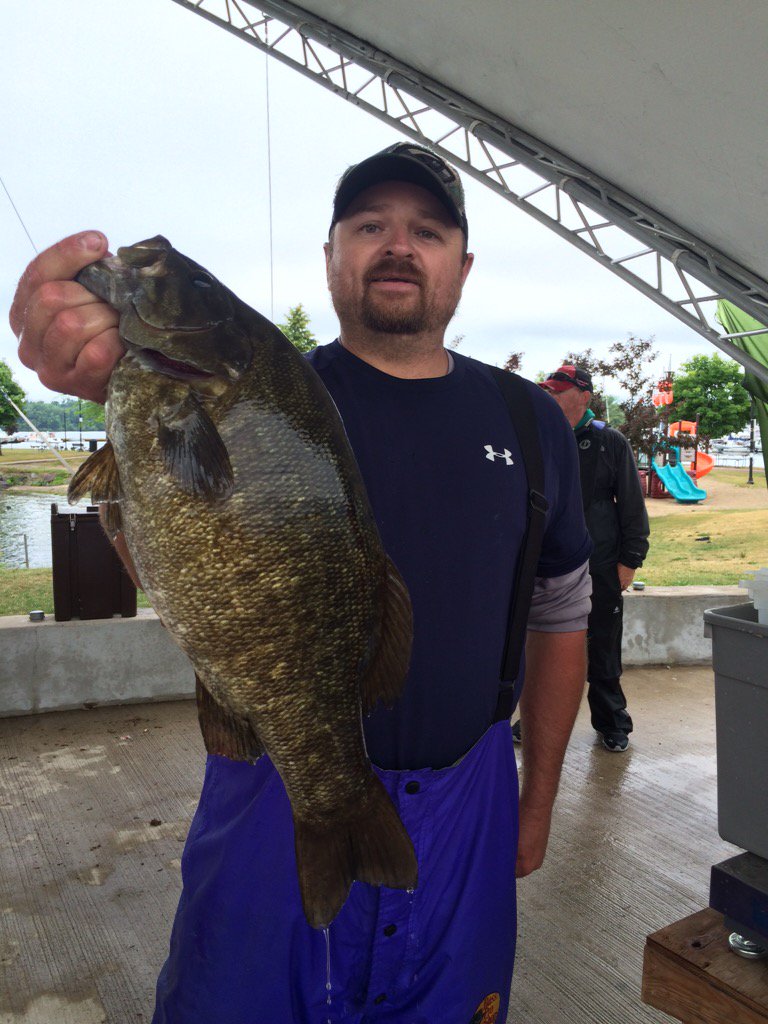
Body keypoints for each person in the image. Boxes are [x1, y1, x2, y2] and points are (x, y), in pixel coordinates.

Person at [11, 144, 592, 1023]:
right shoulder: (268, 388)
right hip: (264, 797)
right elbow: (175, 569)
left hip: (472, 804)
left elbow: (561, 615)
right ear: (331, 257)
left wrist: (537, 800)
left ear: (461, 267)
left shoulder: (530, 419)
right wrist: (107, 384)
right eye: (369, 227)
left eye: (426, 231)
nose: (398, 246)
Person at [527, 365, 650, 753]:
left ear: (584, 395)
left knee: (602, 645)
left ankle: (612, 722)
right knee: (540, 644)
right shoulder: (540, 438)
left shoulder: (608, 442)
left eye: (558, 391)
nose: (550, 396)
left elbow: (632, 504)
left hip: (600, 562)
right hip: (547, 563)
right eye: (547, 390)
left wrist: (630, 559)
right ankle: (531, 719)